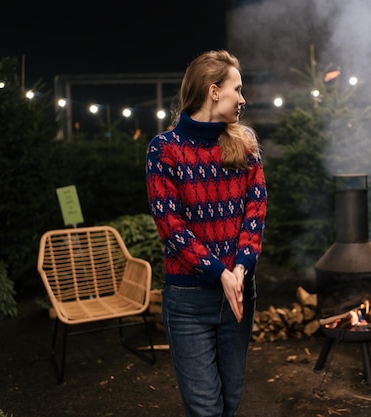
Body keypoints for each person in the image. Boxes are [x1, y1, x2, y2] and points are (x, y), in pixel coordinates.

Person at [145, 50, 267, 417]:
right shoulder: (163, 150)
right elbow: (171, 226)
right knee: (206, 410)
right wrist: (220, 273)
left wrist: (241, 269)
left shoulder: (243, 142)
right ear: (214, 91)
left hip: (239, 295)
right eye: (237, 89)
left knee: (229, 405)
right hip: (188, 302)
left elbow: (255, 209)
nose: (243, 99)